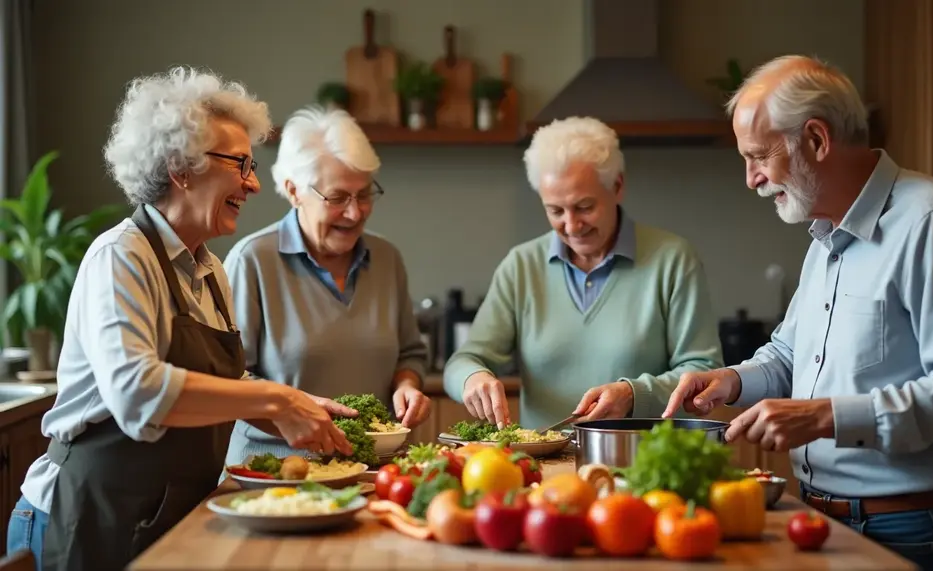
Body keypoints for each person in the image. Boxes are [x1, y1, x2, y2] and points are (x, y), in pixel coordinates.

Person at [6, 67, 357, 571]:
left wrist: (297, 410)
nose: (253, 183)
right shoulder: (121, 257)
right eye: (240, 163)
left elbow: (222, 386)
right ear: (181, 167)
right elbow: (137, 392)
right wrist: (276, 397)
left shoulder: (210, 268)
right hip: (84, 516)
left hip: (163, 516)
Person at [662, 55, 933, 571]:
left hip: (911, 529)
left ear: (817, 140)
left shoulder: (932, 220)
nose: (751, 179)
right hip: (820, 521)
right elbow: (790, 355)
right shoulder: (825, 236)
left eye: (759, 156)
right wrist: (729, 380)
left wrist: (823, 416)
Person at [443, 116, 724, 429]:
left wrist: (633, 395)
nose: (572, 225)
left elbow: (703, 370)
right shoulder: (521, 266)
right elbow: (462, 363)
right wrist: (474, 377)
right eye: (555, 210)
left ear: (617, 187)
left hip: (646, 461)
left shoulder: (672, 259)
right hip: (549, 468)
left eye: (585, 206)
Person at [222, 106, 431, 466]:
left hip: (370, 468)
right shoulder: (252, 261)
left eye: (364, 194)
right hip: (276, 472)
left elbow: (409, 353)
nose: (355, 212)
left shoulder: (387, 259)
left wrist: (407, 385)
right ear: (293, 191)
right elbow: (229, 380)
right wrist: (295, 408)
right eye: (337, 198)